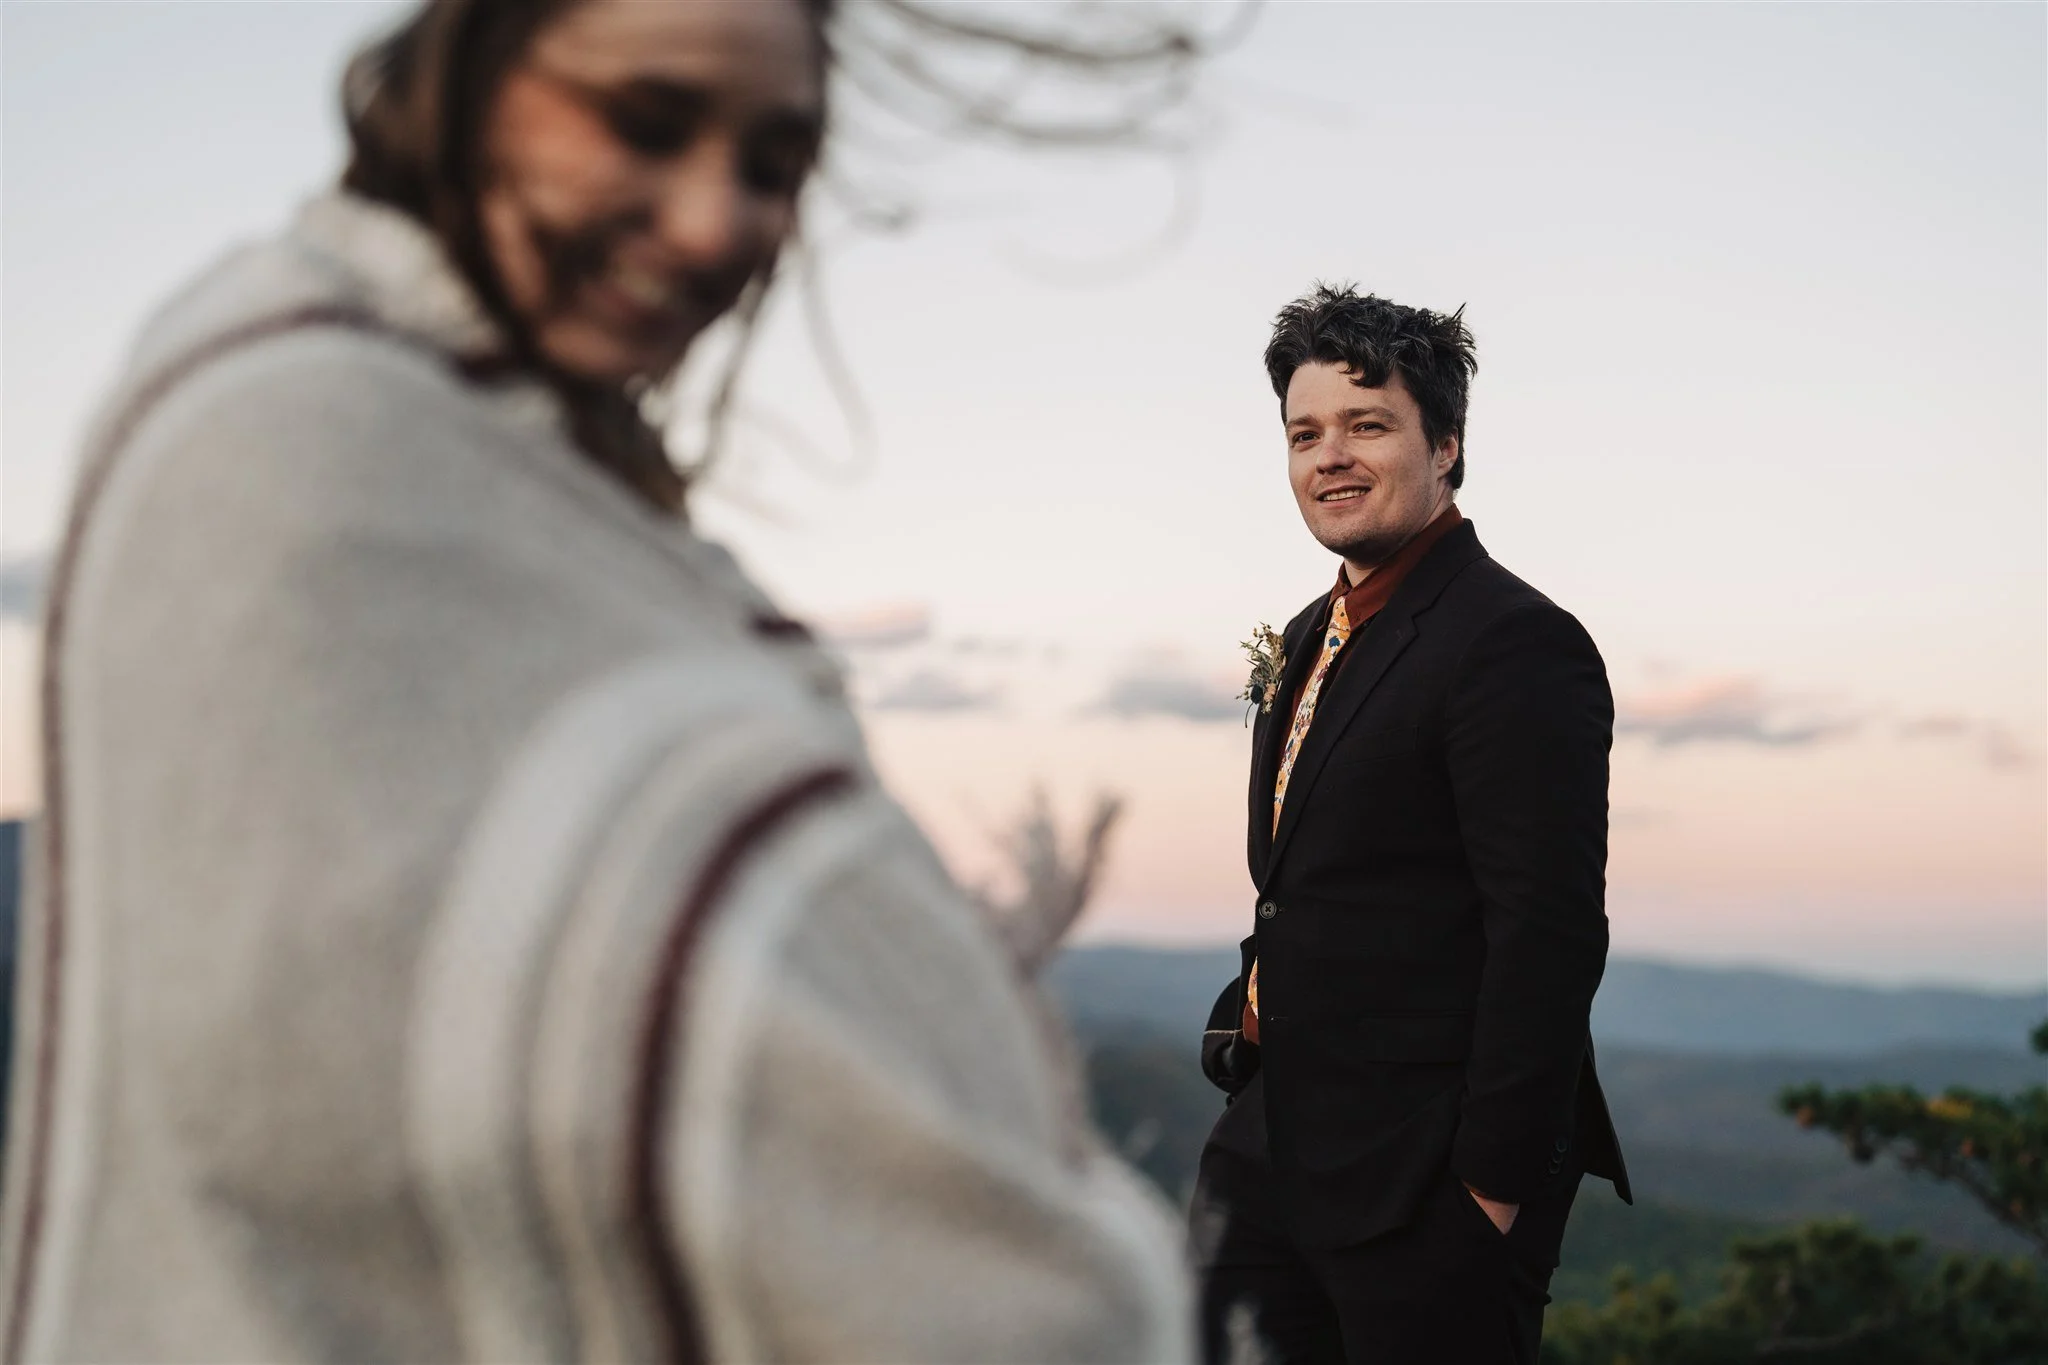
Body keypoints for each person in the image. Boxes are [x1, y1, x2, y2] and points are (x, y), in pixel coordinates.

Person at [0, 1, 1194, 1359]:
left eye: (773, 164)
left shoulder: (535, 471)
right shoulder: (300, 446)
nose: (712, 223)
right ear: (477, 75)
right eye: (643, 123)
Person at [1191, 285, 1632, 1364]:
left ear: (1444, 444)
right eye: (1305, 433)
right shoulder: (1304, 634)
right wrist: (1243, 1014)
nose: (1328, 456)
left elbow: (1549, 928)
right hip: (1271, 1152)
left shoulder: (1514, 642)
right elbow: (1303, 881)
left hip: (1427, 1187)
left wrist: (1490, 1191)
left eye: (1366, 424)